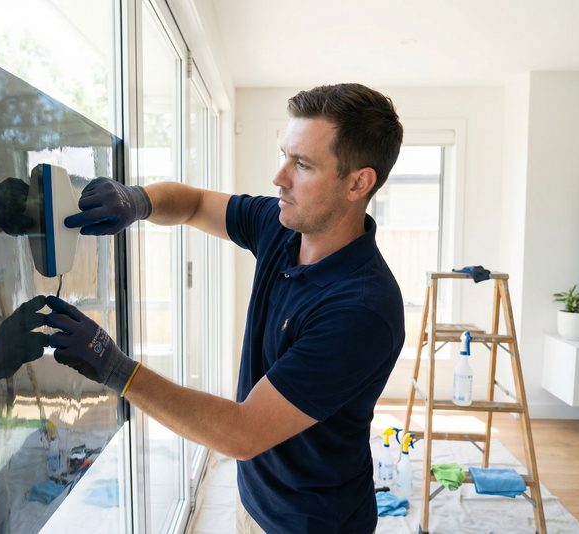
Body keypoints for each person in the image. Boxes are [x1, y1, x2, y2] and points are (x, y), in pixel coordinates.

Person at [45, 83, 405, 533]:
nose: (280, 177)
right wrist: (138, 201)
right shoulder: (282, 228)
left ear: (358, 182)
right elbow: (194, 204)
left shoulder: (361, 309)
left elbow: (242, 432)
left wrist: (115, 368)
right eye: (284, 154)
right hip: (256, 501)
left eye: (303, 164)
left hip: (312, 523)